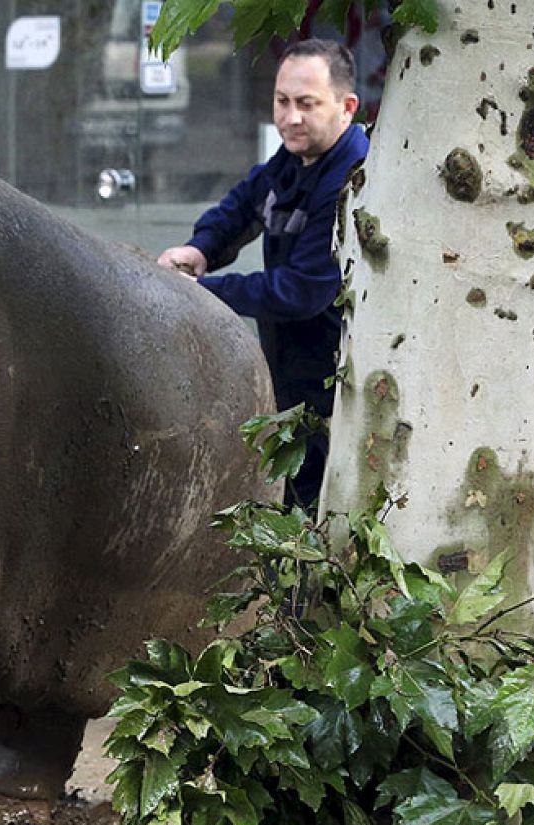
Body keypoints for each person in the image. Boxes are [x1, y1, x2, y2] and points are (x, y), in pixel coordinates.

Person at [155, 38, 368, 508]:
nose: (291, 117)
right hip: (291, 381)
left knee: (323, 514)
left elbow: (302, 292)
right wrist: (200, 248)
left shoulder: (353, 175)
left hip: (341, 392)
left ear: (347, 106)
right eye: (282, 101)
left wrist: (201, 291)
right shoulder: (294, 159)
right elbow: (243, 206)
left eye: (307, 105)